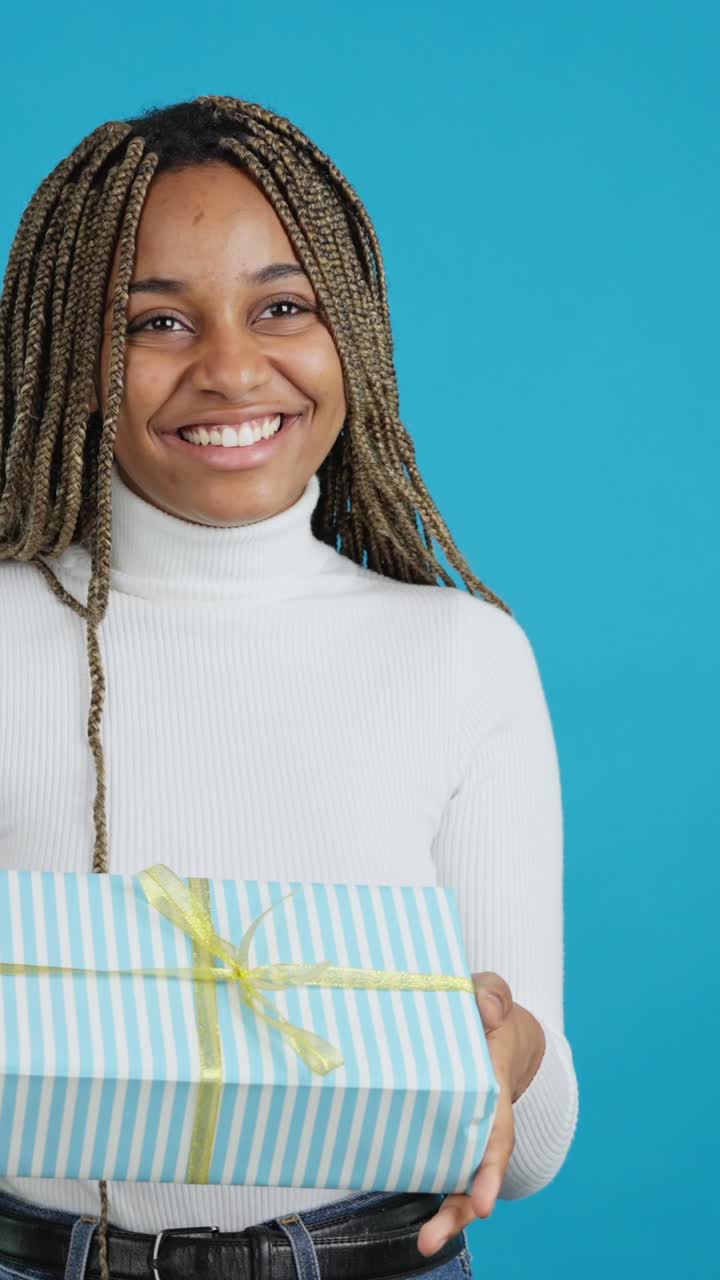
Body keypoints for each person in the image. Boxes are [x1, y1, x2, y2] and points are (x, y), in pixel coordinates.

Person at [0, 96, 579, 1280]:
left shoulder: (463, 655)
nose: (229, 365)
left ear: (351, 333)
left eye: (281, 307)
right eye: (157, 319)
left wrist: (506, 1051)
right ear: (69, 353)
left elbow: (530, 1147)